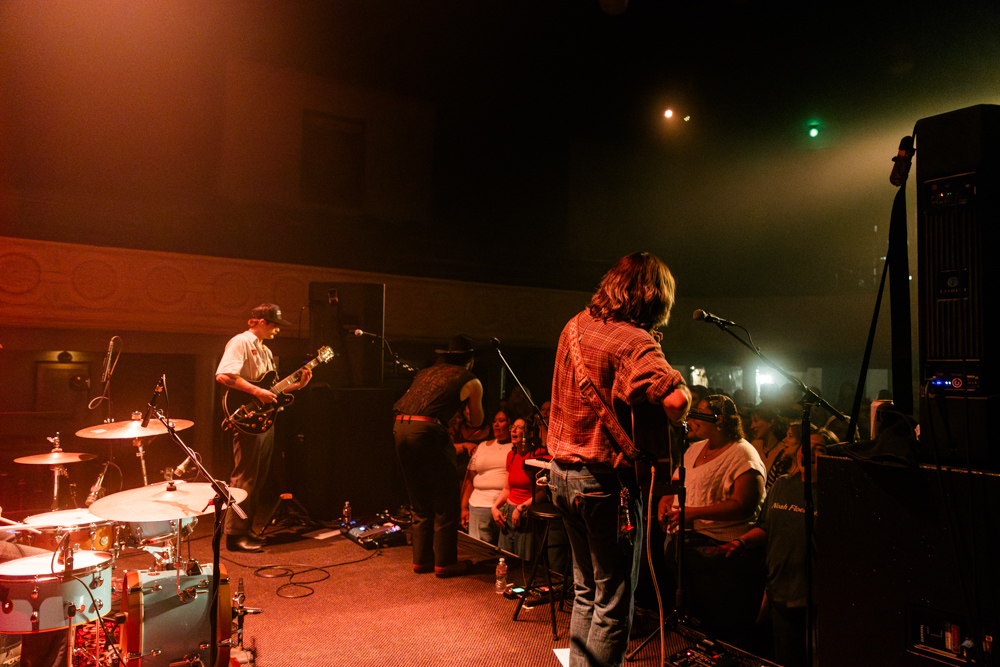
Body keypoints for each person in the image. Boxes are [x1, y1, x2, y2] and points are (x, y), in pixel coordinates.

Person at [547, 252, 691, 667]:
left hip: (560, 476)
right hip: (601, 483)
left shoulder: (573, 325)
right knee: (612, 599)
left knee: (585, 590)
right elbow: (677, 401)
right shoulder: (635, 341)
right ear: (655, 297)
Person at [717, 427, 838, 667]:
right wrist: (741, 542)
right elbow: (765, 527)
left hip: (816, 602)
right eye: (806, 447)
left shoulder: (834, 494)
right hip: (780, 595)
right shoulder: (782, 485)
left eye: (819, 449)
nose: (810, 453)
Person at [657, 394, 766, 646]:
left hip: (718, 549)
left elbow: (744, 506)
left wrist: (692, 512)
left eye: (700, 412)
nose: (692, 418)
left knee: (719, 621)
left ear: (718, 419)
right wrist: (666, 503)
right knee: (694, 615)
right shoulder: (695, 448)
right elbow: (676, 483)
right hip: (683, 543)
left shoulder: (742, 454)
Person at [216, 303, 312, 553]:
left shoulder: (265, 351)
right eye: (272, 324)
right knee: (245, 476)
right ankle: (234, 536)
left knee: (257, 477)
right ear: (256, 322)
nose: (277, 329)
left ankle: (245, 530)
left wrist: (297, 386)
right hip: (247, 418)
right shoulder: (240, 342)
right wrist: (257, 391)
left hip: (264, 419)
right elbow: (224, 375)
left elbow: (272, 390)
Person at [393, 334, 484, 577]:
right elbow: (477, 421)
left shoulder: (425, 372)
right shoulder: (470, 379)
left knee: (419, 498)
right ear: (470, 359)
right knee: (445, 497)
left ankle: (421, 561)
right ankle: (445, 562)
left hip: (400, 426)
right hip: (428, 429)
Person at [492, 418, 544, 559]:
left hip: (525, 515)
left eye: (519, 427)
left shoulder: (538, 455)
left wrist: (521, 508)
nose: (513, 430)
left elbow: (541, 493)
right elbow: (507, 488)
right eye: (512, 427)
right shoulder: (511, 455)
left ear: (529, 433)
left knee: (523, 563)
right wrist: (495, 507)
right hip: (508, 513)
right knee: (504, 559)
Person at [460, 410, 513, 545]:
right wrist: (464, 508)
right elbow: (470, 480)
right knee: (480, 550)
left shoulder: (515, 447)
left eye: (501, 421)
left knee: (502, 552)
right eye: (494, 421)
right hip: (478, 505)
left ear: (510, 425)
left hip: (503, 506)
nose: (496, 424)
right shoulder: (483, 446)